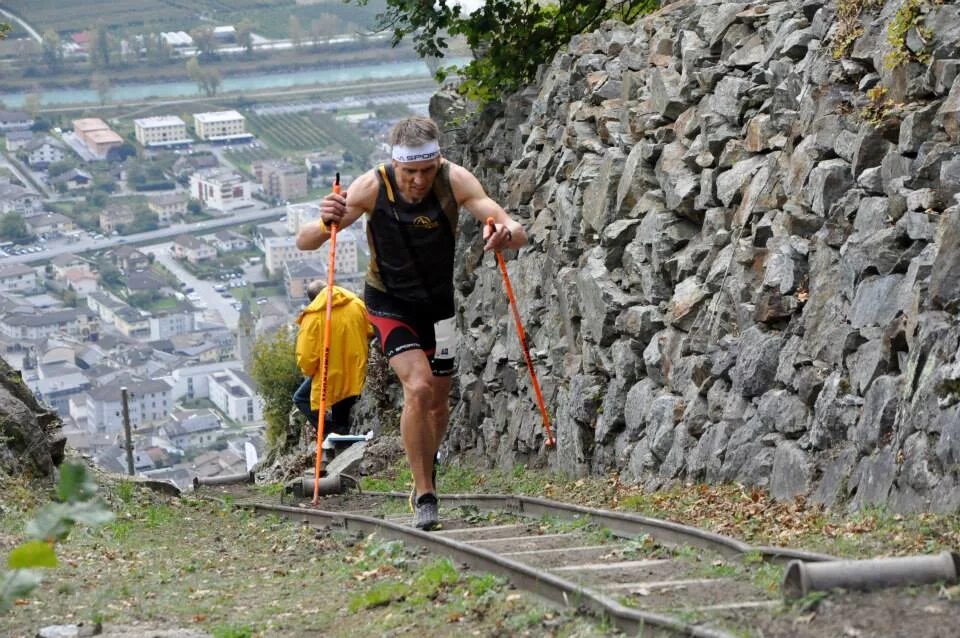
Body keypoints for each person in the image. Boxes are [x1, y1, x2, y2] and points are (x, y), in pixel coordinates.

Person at [297, 116, 527, 530]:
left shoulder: (454, 179)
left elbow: (507, 222)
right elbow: (308, 241)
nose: (418, 181)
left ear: (437, 160)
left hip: (439, 306)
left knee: (438, 402)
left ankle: (427, 467)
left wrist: (506, 232)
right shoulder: (372, 186)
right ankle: (424, 492)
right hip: (389, 303)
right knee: (418, 387)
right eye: (409, 172)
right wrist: (323, 218)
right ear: (395, 165)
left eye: (425, 170)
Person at [293, 280, 372, 443]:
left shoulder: (312, 318)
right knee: (343, 409)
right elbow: (370, 330)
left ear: (313, 300)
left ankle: (330, 430)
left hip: (330, 374)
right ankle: (342, 433)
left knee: (300, 398)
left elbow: (307, 359)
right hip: (357, 369)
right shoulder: (355, 304)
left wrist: (310, 372)